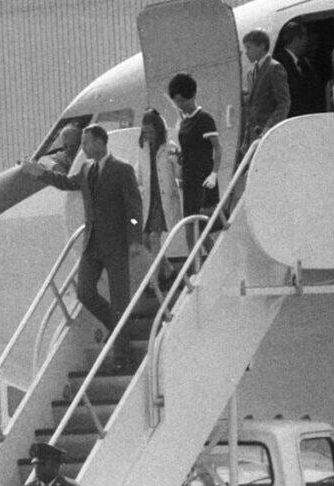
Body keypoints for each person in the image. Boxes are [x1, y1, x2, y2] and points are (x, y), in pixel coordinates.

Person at [21, 124, 145, 372]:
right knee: (85, 292)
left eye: (87, 142)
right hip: (93, 243)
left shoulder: (122, 169)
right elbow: (67, 183)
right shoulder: (86, 169)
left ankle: (122, 353)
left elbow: (134, 208)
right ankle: (120, 329)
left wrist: (134, 238)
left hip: (116, 243)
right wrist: (41, 173)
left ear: (101, 142)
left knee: (120, 298)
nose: (84, 147)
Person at [168, 73, 223, 252]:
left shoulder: (204, 119)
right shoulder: (184, 123)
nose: (179, 105)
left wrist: (214, 173)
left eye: (182, 100)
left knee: (200, 227)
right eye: (176, 101)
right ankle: (197, 267)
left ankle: (209, 262)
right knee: (190, 230)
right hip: (190, 180)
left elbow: (217, 148)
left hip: (203, 178)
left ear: (191, 96)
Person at [133, 107, 180, 293]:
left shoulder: (170, 147)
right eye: (145, 132)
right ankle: (167, 269)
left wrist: (178, 162)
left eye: (151, 132)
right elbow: (139, 173)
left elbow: (178, 173)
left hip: (163, 199)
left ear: (159, 130)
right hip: (150, 199)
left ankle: (154, 281)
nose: (148, 135)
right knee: (145, 239)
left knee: (154, 237)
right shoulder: (143, 148)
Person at [240, 29, 290, 156]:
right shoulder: (252, 73)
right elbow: (252, 109)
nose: (246, 53)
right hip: (254, 136)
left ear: (261, 46)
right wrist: (246, 139)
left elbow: (284, 103)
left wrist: (269, 128)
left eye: (249, 48)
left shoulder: (274, 68)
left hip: (266, 134)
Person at [274, 21, 324, 117]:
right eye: (305, 38)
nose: (307, 42)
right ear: (297, 39)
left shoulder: (305, 63)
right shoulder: (279, 63)